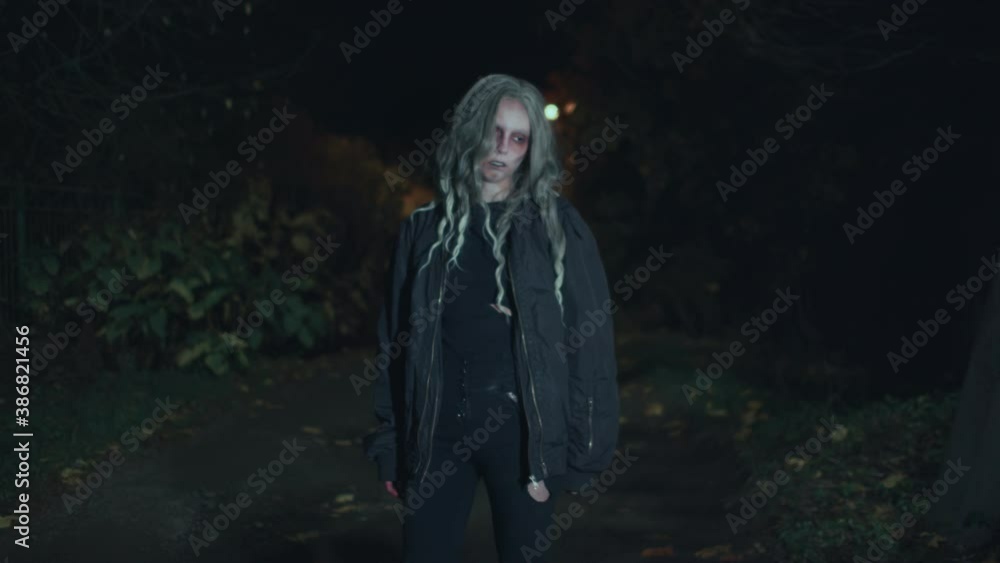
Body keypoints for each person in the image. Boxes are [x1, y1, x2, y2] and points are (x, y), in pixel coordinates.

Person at [363, 73, 619, 563]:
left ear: (531, 150)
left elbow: (591, 344)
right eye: (493, 132)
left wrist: (582, 450)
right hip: (436, 439)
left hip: (524, 445)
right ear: (469, 131)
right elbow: (394, 344)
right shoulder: (422, 230)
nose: (502, 148)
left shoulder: (556, 227)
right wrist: (389, 443)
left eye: (518, 138)